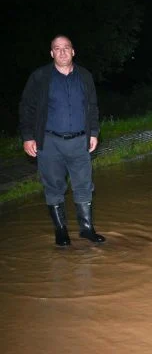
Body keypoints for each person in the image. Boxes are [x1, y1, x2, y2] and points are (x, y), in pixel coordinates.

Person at [19, 34, 106, 247]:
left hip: (80, 141)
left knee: (84, 184)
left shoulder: (85, 76)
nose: (62, 51)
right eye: (57, 48)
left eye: (66, 47)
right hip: (49, 143)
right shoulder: (40, 77)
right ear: (51, 53)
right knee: (54, 186)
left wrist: (93, 132)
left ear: (73, 51)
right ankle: (61, 230)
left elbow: (93, 106)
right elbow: (27, 107)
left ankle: (86, 229)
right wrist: (28, 137)